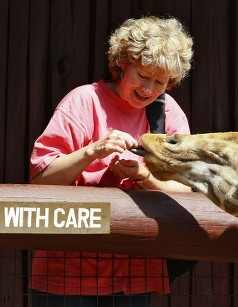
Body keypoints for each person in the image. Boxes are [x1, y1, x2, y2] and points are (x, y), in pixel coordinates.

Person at [29, 16, 194, 306]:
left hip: (135, 272)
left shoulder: (168, 114)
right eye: (142, 76)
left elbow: (188, 191)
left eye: (160, 82)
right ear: (122, 64)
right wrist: (95, 151)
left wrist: (143, 175)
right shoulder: (83, 101)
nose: (148, 90)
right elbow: (40, 180)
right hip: (69, 274)